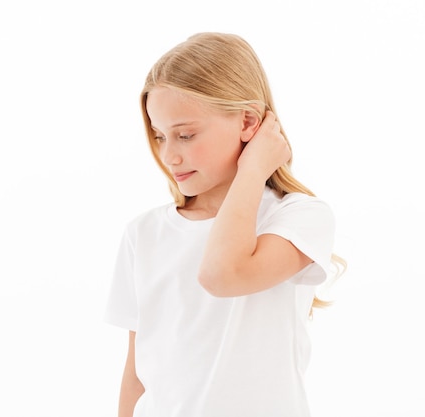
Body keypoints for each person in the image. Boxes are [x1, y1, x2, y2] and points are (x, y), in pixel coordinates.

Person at [104, 32, 345, 417]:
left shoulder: (299, 218)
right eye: (160, 136)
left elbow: (222, 274)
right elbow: (136, 375)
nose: (169, 155)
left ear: (248, 120)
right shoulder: (143, 234)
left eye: (185, 135)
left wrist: (253, 169)